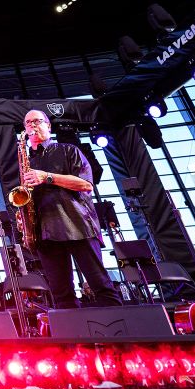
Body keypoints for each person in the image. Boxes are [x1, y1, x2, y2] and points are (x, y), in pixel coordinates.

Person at [19, 109, 120, 309]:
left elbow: (86, 184)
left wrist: (47, 177)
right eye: (28, 123)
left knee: (101, 286)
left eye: (37, 121)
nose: (32, 125)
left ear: (48, 125)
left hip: (77, 225)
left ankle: (122, 337)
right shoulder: (25, 161)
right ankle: (76, 340)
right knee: (61, 295)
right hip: (44, 233)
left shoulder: (68, 150)